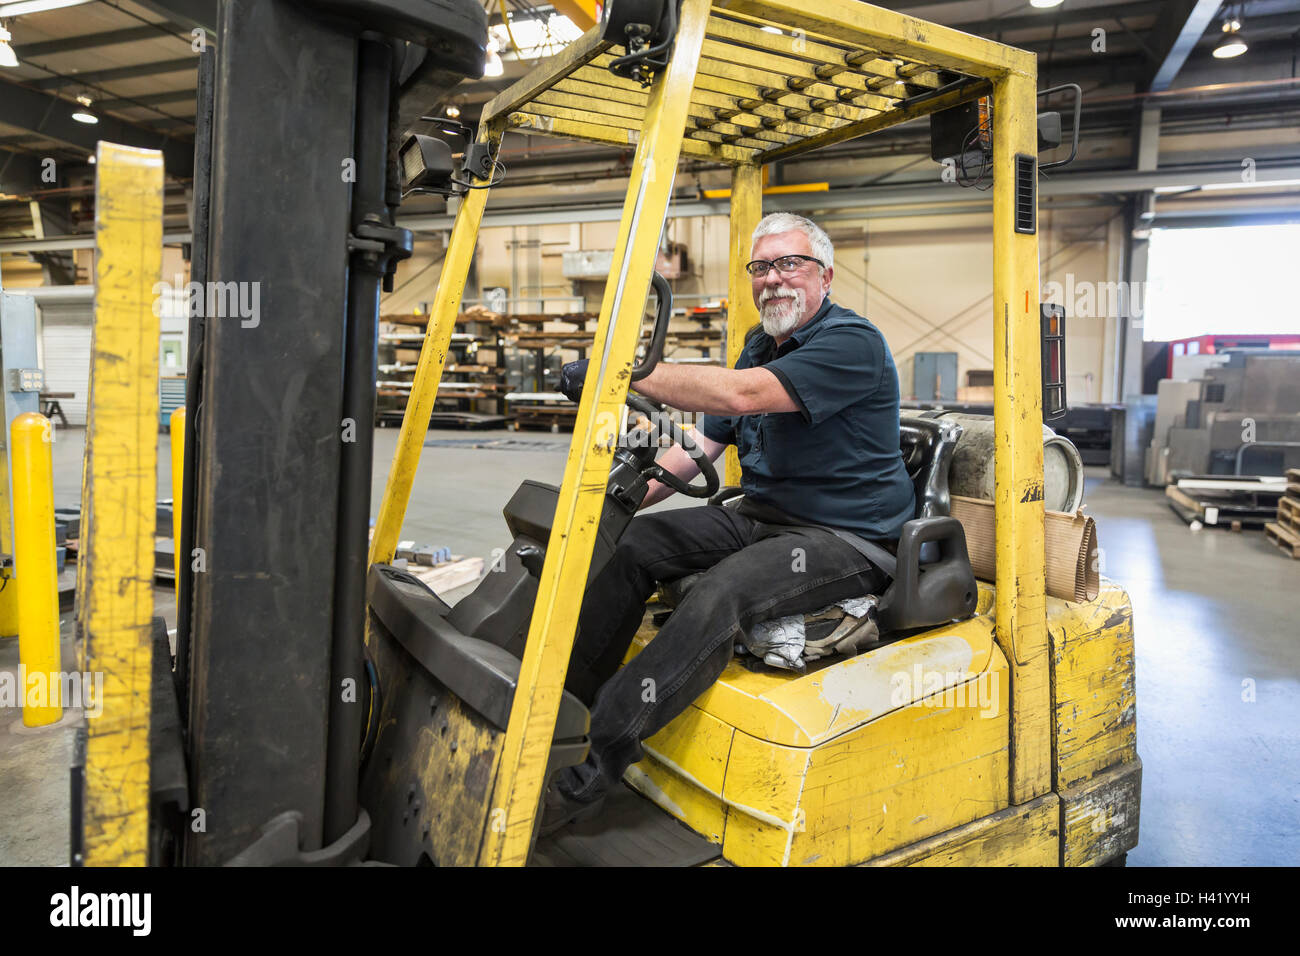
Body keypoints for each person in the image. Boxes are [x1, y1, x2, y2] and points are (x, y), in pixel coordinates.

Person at [542, 212, 914, 835]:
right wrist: (623, 499)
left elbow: (740, 396)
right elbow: (704, 445)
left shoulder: (852, 343)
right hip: (763, 517)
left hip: (846, 538)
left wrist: (620, 375)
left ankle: (592, 769)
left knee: (723, 591)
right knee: (633, 547)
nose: (774, 280)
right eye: (761, 268)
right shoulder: (758, 343)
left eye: (789, 264)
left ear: (824, 275)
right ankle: (560, 709)